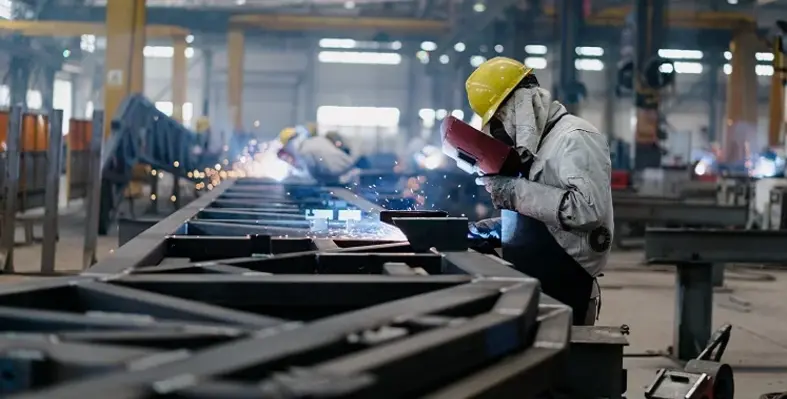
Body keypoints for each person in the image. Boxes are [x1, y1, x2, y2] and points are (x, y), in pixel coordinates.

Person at [463, 57, 614, 326]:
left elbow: (586, 210)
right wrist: (500, 228)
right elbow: (549, 214)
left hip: (569, 284)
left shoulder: (575, 137)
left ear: (520, 105)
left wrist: (512, 192)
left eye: (501, 116)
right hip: (539, 277)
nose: (499, 128)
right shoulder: (541, 145)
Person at [278, 126, 357, 184]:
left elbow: (312, 178)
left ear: (290, 143)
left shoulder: (305, 151)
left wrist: (294, 176)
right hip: (350, 173)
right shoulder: (317, 140)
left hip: (343, 179)